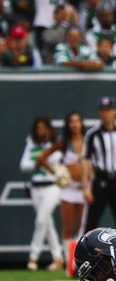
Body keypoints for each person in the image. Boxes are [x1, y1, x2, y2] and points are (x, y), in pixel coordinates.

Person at [80, 97, 116, 240]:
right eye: (103, 110)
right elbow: (85, 160)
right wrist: (86, 187)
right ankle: (86, 257)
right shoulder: (93, 134)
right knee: (92, 221)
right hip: (100, 179)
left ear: (115, 112)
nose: (106, 114)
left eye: (109, 110)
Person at [37, 112, 86, 248]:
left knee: (84, 228)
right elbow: (41, 157)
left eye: (77, 121)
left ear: (82, 123)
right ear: (68, 125)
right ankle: (68, 264)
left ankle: (83, 261)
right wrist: (56, 172)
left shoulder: (88, 141)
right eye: (72, 122)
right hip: (68, 189)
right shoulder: (64, 142)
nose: (75, 124)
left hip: (84, 189)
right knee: (68, 227)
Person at [20, 116, 63, 271]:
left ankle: (33, 257)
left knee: (40, 221)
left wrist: (41, 161)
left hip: (52, 187)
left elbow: (54, 162)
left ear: (49, 128)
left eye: (43, 127)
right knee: (47, 223)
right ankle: (58, 258)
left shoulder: (55, 144)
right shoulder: (31, 143)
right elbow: (24, 165)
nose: (41, 130)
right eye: (38, 127)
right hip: (35, 187)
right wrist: (38, 162)